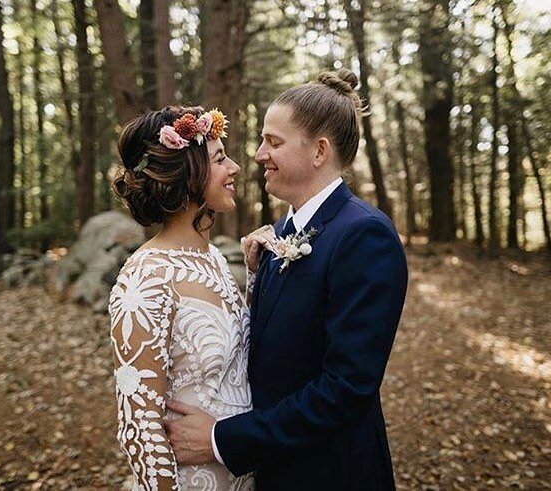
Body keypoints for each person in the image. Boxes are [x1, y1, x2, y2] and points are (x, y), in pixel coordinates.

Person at [166, 69, 408, 490]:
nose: (259, 154)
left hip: (331, 474)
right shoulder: (279, 234)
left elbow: (346, 389)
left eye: (273, 142)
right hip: (273, 470)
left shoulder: (366, 235)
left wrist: (223, 439)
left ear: (319, 151)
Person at [108, 106, 255, 490]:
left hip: (242, 474)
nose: (235, 167)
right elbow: (139, 427)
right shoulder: (144, 278)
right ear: (190, 174)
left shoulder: (214, 259)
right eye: (221, 159)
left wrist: (256, 278)